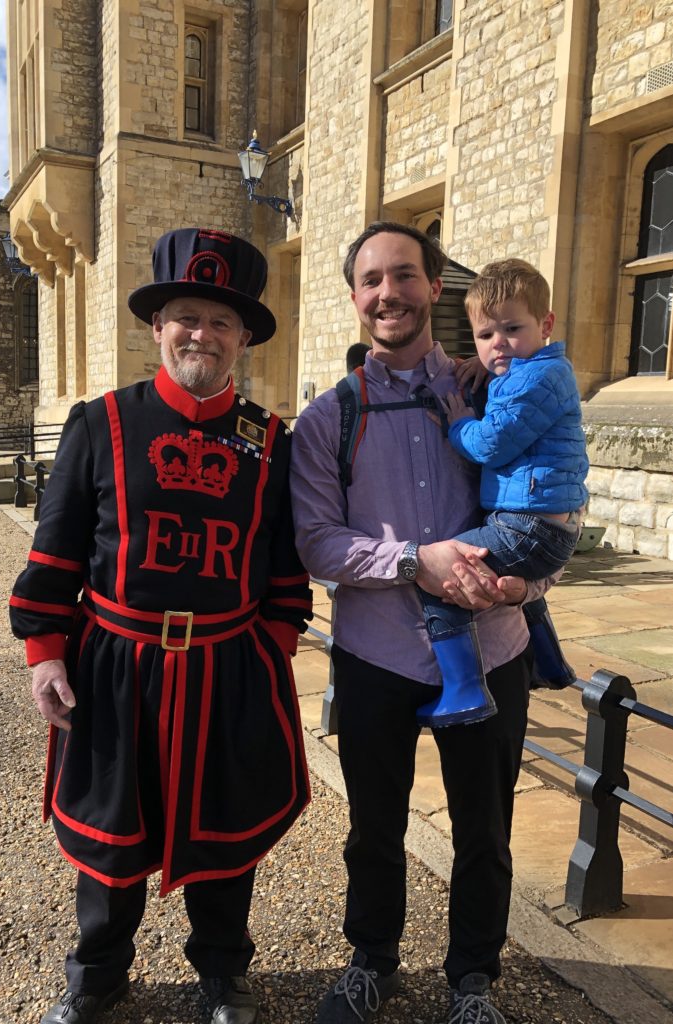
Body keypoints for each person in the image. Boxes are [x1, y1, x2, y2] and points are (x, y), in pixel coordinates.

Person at [10, 227, 312, 1024]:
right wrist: (45, 652)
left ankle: (223, 973)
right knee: (111, 842)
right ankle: (98, 972)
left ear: (243, 337)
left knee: (224, 832)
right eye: (185, 316)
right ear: (156, 326)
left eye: (219, 323)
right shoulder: (100, 422)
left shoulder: (268, 442)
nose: (201, 335)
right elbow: (56, 548)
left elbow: (285, 574)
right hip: (115, 665)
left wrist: (266, 652)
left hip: (226, 668)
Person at [289, 222, 553, 1024]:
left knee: (485, 828)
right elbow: (316, 541)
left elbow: (548, 493)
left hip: (491, 643)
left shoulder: (490, 392)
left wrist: (528, 580)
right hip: (376, 653)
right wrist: (416, 561)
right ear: (354, 296)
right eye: (371, 280)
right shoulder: (327, 419)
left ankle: (472, 980)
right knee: (375, 824)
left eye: (404, 275)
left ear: (434, 287)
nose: (387, 294)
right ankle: (371, 958)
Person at [412, 258, 588, 726]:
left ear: (545, 324)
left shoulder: (536, 377)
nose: (498, 343)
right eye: (485, 335)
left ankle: (464, 689)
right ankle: (550, 664)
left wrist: (458, 424)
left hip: (530, 525)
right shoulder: (537, 370)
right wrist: (488, 367)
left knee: (439, 570)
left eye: (512, 328)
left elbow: (492, 442)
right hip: (543, 524)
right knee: (517, 587)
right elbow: (509, 380)